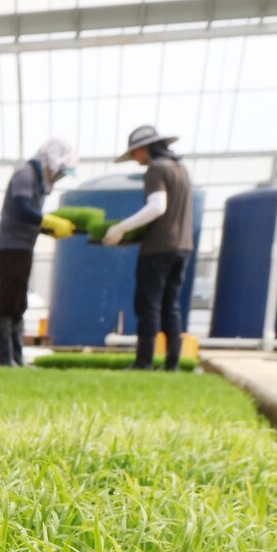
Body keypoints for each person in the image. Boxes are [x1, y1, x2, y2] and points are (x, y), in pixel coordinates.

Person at [104, 125, 195, 372]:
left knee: (148, 304)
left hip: (158, 248)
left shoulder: (156, 169)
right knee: (171, 305)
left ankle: (143, 362)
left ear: (143, 149)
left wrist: (122, 228)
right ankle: (172, 364)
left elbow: (157, 207)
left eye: (135, 153)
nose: (135, 159)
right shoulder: (181, 170)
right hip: (183, 247)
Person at [0, 137, 77, 367]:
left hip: (23, 248)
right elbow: (21, 209)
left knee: (19, 305)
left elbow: (31, 220)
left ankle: (17, 357)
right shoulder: (25, 174)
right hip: (8, 248)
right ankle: (4, 359)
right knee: (7, 304)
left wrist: (50, 229)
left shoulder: (39, 181)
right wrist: (47, 221)